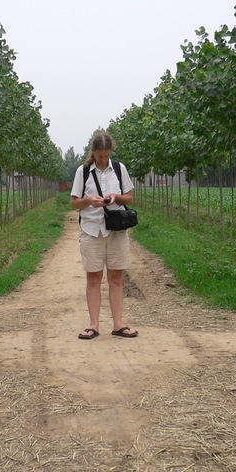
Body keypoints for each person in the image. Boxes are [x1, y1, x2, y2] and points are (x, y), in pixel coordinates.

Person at [70, 132, 138, 340]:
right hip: (92, 230)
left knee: (116, 277)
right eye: (100, 156)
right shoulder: (83, 172)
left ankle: (119, 324)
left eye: (107, 156)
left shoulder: (119, 169)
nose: (103, 160)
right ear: (94, 153)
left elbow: (130, 198)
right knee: (94, 277)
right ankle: (93, 325)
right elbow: (74, 202)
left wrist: (115, 197)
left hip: (116, 230)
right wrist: (90, 200)